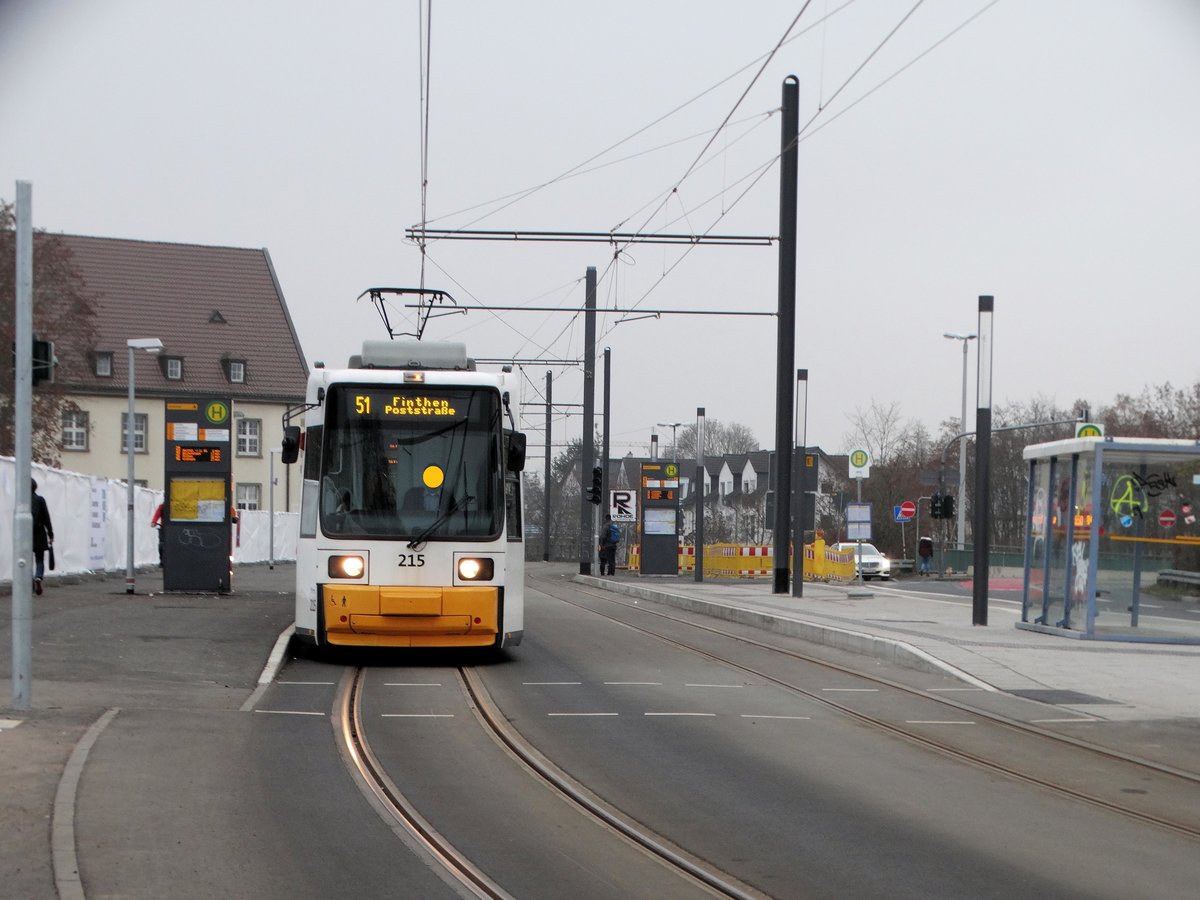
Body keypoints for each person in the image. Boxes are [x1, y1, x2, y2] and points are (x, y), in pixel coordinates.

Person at [31, 479, 54, 595]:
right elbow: (46, 518)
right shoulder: (40, 500)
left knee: (26, 559)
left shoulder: (21, 501)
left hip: (25, 533)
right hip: (39, 533)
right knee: (39, 559)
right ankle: (38, 577)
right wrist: (50, 534)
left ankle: (29, 582)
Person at [151, 502, 165, 566]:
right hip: (163, 528)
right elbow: (157, 514)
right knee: (161, 544)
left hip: (172, 527)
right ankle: (162, 559)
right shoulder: (162, 506)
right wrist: (154, 522)